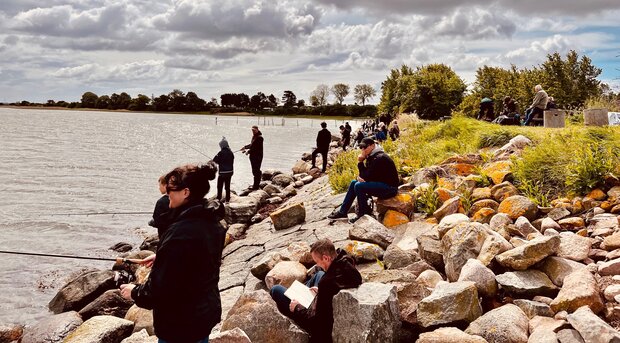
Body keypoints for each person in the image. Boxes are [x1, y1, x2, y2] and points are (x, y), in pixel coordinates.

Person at [120, 162, 226, 343]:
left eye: (171, 189)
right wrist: (163, 255)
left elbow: (160, 289)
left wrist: (134, 292)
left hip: (180, 325)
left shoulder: (181, 234)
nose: (167, 192)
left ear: (186, 192)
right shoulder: (210, 219)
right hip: (203, 314)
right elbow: (194, 263)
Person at [270, 238, 362, 343]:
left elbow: (317, 323)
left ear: (326, 258)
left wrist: (297, 307)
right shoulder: (346, 262)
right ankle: (304, 288)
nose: (317, 265)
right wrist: (320, 292)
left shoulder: (326, 283)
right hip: (324, 298)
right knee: (319, 274)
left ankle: (297, 294)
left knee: (276, 289)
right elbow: (335, 286)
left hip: (320, 324)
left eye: (317, 261)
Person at [328, 137, 399, 223]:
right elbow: (366, 175)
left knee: (359, 186)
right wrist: (359, 178)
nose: (363, 149)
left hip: (390, 188)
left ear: (372, 146)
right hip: (382, 184)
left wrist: (360, 162)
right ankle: (342, 212)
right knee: (354, 182)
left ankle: (364, 214)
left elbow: (366, 176)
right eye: (361, 147)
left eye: (365, 147)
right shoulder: (373, 156)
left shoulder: (379, 157)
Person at [241, 125, 264, 190]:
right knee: (254, 171)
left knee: (256, 171)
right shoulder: (254, 136)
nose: (253, 131)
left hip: (257, 157)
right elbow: (252, 145)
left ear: (257, 130)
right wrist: (245, 147)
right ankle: (255, 184)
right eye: (252, 130)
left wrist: (248, 152)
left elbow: (256, 148)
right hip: (253, 157)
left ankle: (256, 186)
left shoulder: (260, 138)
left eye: (254, 130)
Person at [213, 137, 234, 203]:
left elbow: (215, 161)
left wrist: (218, 160)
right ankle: (227, 200)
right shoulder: (231, 152)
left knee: (219, 186)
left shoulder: (220, 153)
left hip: (222, 172)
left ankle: (218, 198)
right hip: (230, 172)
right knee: (227, 187)